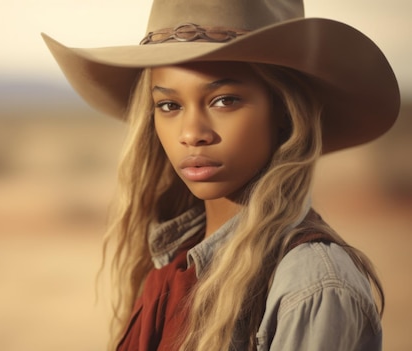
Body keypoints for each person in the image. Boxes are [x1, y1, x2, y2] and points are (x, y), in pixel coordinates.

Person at [42, 0, 399, 350]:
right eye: (169, 105)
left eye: (224, 100)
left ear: (283, 110)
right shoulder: (175, 261)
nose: (192, 132)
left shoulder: (312, 286)